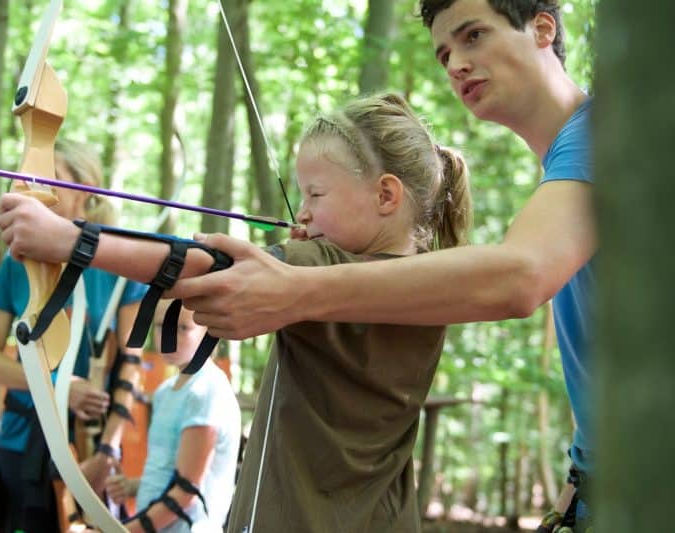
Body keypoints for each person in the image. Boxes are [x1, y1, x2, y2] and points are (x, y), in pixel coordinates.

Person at [172, 0, 595, 530]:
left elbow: (520, 278)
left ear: (541, 28)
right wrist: (578, 486)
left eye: (473, 36)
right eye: (444, 53)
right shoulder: (570, 165)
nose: (455, 63)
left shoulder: (603, 136)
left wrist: (295, 290)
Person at [0, 92, 473, 532]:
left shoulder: (321, 266)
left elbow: (205, 265)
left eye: (317, 195)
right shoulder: (433, 287)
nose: (301, 214)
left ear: (386, 196)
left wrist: (68, 239)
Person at [0, 139, 147, 532]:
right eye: (34, 178)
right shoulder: (17, 260)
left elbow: (131, 363)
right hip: (23, 441)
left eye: (53, 178)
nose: (41, 188)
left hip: (88, 446)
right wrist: (59, 387)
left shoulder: (119, 258)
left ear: (87, 189)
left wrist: (107, 451)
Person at [105, 299, 240, 533]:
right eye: (160, 326)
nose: (168, 336)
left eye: (182, 328)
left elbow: (187, 491)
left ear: (208, 330)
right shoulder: (164, 392)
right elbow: (168, 470)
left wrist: (125, 531)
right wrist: (134, 486)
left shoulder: (206, 390)